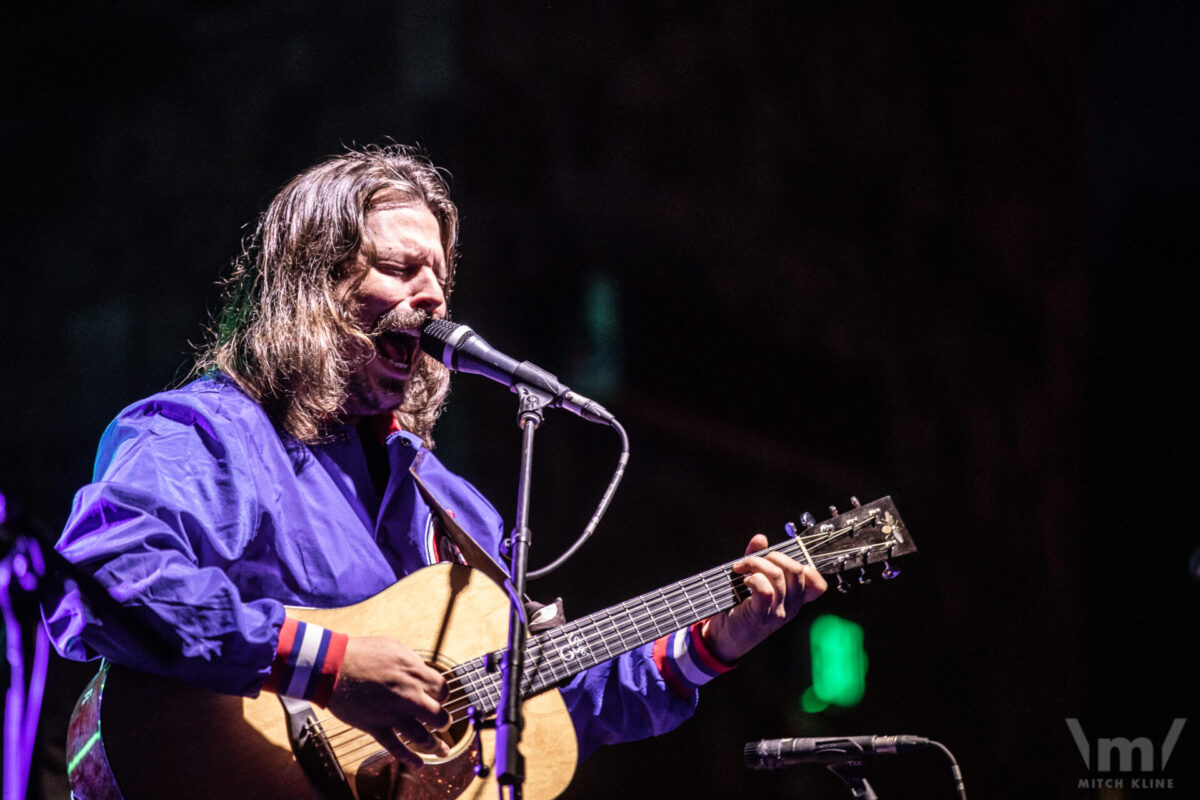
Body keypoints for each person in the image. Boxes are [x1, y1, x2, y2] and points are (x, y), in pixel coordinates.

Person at [43, 144, 826, 781]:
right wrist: (328, 666)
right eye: (400, 268)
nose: (434, 297)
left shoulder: (448, 501)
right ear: (313, 284)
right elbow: (106, 577)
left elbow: (539, 700)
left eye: (440, 277)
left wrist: (712, 642)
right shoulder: (208, 432)